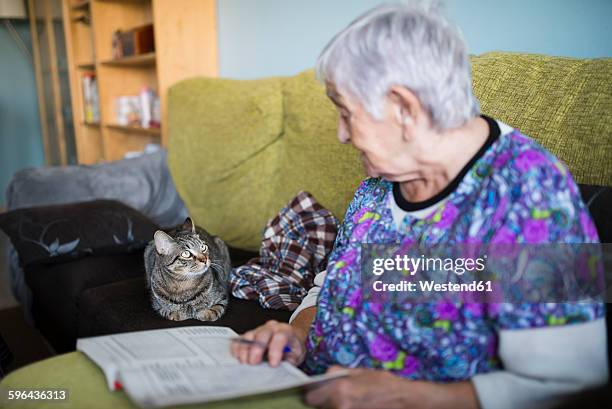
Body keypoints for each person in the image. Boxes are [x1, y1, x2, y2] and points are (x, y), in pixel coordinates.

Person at [230, 2, 608, 408]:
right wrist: (297, 335)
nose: (341, 134)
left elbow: (570, 379)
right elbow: (333, 286)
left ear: (404, 108)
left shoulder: (532, 195)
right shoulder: (378, 187)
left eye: (345, 113)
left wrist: (412, 397)